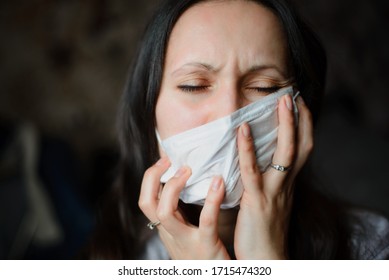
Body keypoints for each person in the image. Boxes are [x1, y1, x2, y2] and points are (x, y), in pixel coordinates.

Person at [84, 0, 389, 259]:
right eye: (194, 85)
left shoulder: (371, 247)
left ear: (300, 111)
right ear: (148, 111)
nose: (230, 114)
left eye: (263, 87)